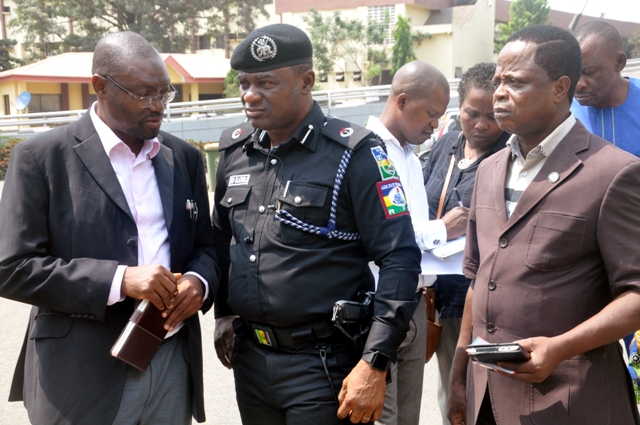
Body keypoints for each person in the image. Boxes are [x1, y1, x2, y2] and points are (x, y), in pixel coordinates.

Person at [0, 31, 218, 425]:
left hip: (170, 360)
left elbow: (209, 245)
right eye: (143, 94)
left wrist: (200, 281)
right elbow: (11, 268)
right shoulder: (40, 157)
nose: (157, 107)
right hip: (80, 375)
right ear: (99, 86)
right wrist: (119, 280)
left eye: (164, 93)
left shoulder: (182, 157)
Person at [211, 23, 421, 425]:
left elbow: (400, 259)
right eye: (244, 83)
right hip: (251, 361)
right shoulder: (235, 152)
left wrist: (375, 361)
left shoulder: (355, 153)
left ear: (306, 81)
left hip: (324, 365)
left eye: (266, 83)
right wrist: (223, 313)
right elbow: (224, 240)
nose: (249, 95)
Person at [447, 25, 640, 425]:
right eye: (499, 79)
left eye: (516, 82)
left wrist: (561, 347)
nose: (499, 91)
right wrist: (459, 374)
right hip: (489, 400)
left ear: (559, 88)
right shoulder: (489, 170)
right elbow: (479, 280)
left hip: (570, 400)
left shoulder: (612, 173)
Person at [364, 60, 467, 425]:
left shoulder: (409, 155)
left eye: (440, 117)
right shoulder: (367, 153)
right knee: (383, 417)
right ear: (403, 101)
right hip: (381, 307)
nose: (435, 125)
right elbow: (378, 239)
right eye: (430, 114)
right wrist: (441, 230)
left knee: (407, 419)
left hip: (416, 305)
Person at [422, 62, 509, 425]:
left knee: (474, 390)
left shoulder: (507, 158)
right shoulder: (445, 144)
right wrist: (440, 227)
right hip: (433, 290)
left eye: (492, 115)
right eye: (472, 113)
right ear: (458, 108)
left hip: (474, 292)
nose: (482, 124)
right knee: (449, 388)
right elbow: (417, 202)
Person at [571, 21, 640, 157]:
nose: (579, 84)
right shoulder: (561, 109)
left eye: (589, 72)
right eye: (573, 73)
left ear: (619, 62)